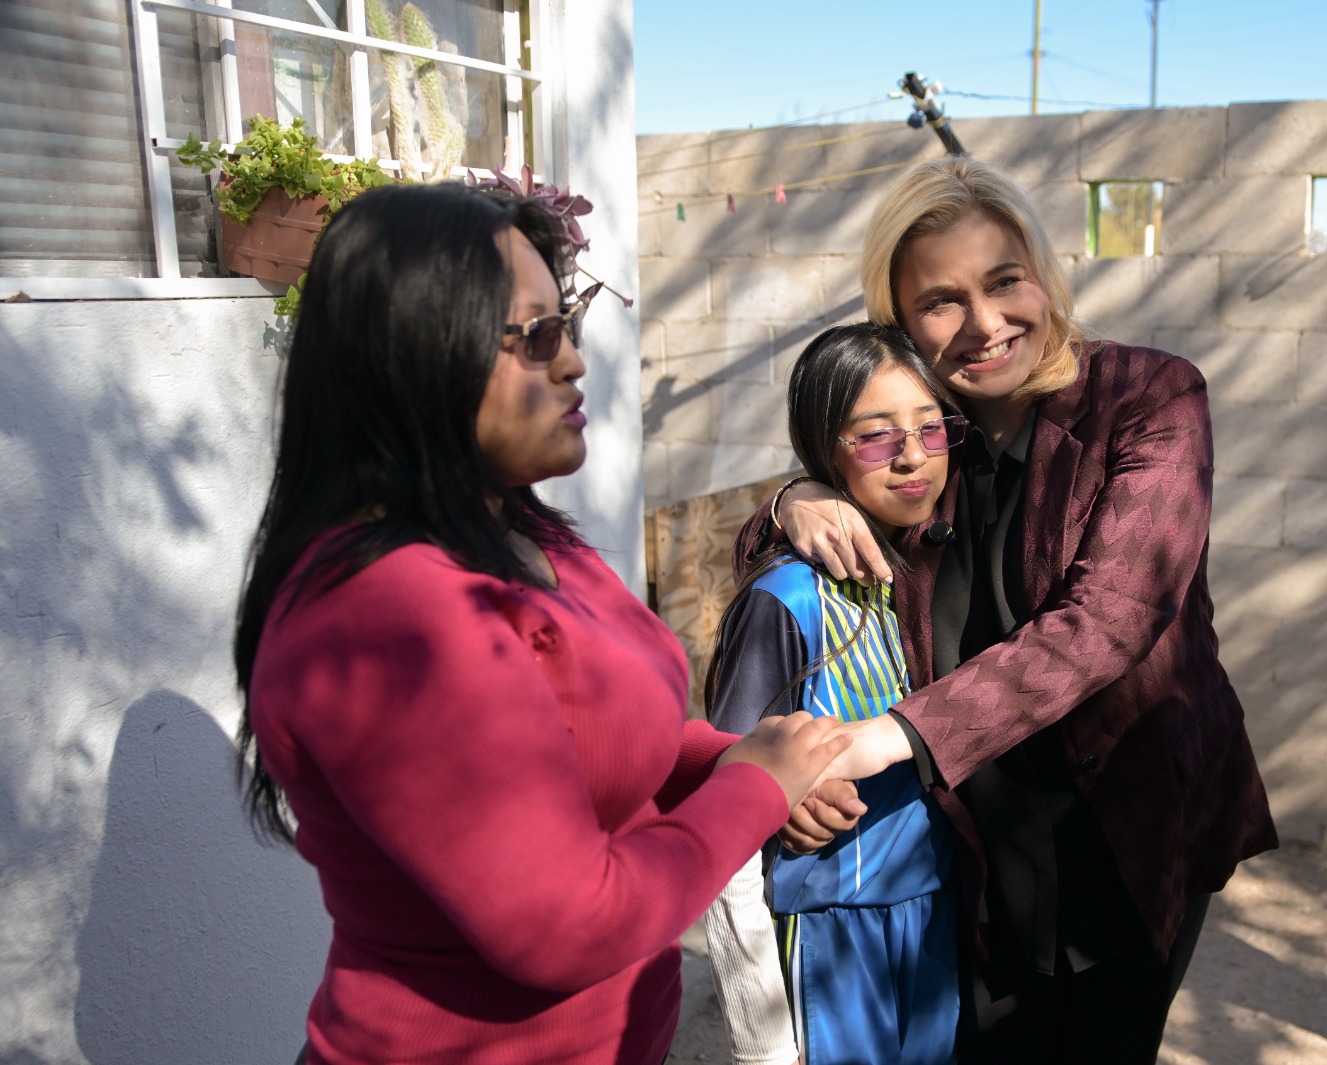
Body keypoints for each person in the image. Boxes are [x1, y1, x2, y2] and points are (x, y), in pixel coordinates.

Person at [232, 183, 881, 1065]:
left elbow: (603, 728)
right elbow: (568, 924)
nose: (575, 361)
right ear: (418, 351)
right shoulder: (384, 616)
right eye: (537, 335)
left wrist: (741, 757)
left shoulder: (516, 529)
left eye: (567, 323)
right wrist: (755, 790)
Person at [743, 156, 1279, 1063]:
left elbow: (1110, 618)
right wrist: (791, 501)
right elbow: (772, 556)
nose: (985, 323)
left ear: (1043, 275)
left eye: (1004, 281)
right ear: (899, 319)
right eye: (942, 300)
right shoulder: (921, 435)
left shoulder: (1149, 397)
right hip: (977, 852)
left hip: (1126, 833)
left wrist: (886, 738)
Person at [703, 323, 963, 1065]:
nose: (913, 456)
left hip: (929, 912)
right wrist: (761, 1036)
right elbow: (722, 809)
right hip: (831, 929)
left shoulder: (922, 565)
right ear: (824, 449)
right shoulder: (788, 599)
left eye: (931, 428)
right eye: (876, 437)